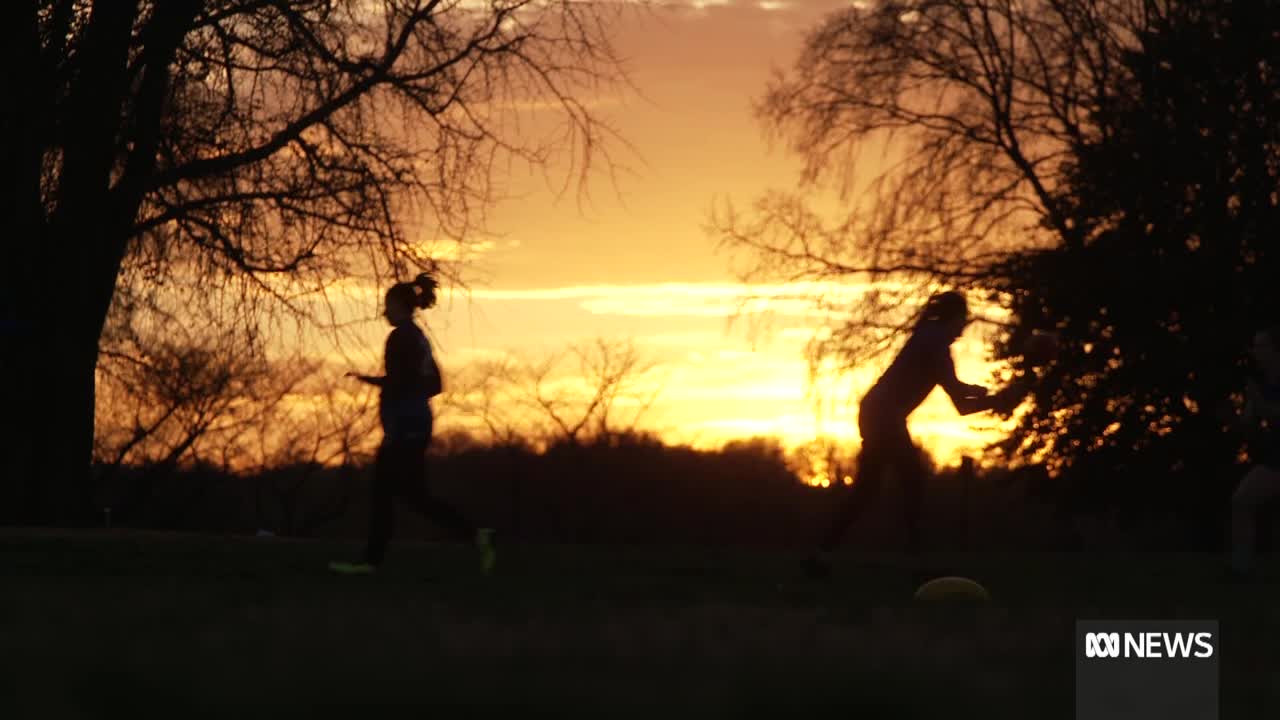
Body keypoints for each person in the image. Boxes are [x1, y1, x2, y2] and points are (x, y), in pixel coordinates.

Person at [804, 291, 1024, 578]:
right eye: (963, 320)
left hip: (878, 413)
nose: (964, 327)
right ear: (953, 318)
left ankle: (823, 553)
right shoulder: (934, 343)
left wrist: (994, 397)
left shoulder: (930, 338)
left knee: (871, 489)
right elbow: (960, 397)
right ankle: (914, 556)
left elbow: (959, 403)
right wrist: (1000, 397)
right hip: (884, 416)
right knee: (910, 480)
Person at [329, 273, 496, 576]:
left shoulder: (400, 338)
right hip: (417, 424)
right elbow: (433, 384)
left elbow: (402, 382)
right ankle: (477, 535)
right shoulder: (418, 337)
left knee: (384, 493)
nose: (383, 312)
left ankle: (370, 562)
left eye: (387, 305)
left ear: (399, 305)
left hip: (404, 428)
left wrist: (378, 386)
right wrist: (390, 387)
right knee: (415, 496)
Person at [1227, 325, 1280, 579]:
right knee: (1242, 500)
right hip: (1275, 458)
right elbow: (1249, 422)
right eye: (1255, 346)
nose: (1256, 351)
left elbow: (1272, 415)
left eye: (1262, 346)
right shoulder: (1259, 382)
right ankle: (1242, 568)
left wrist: (1256, 400)